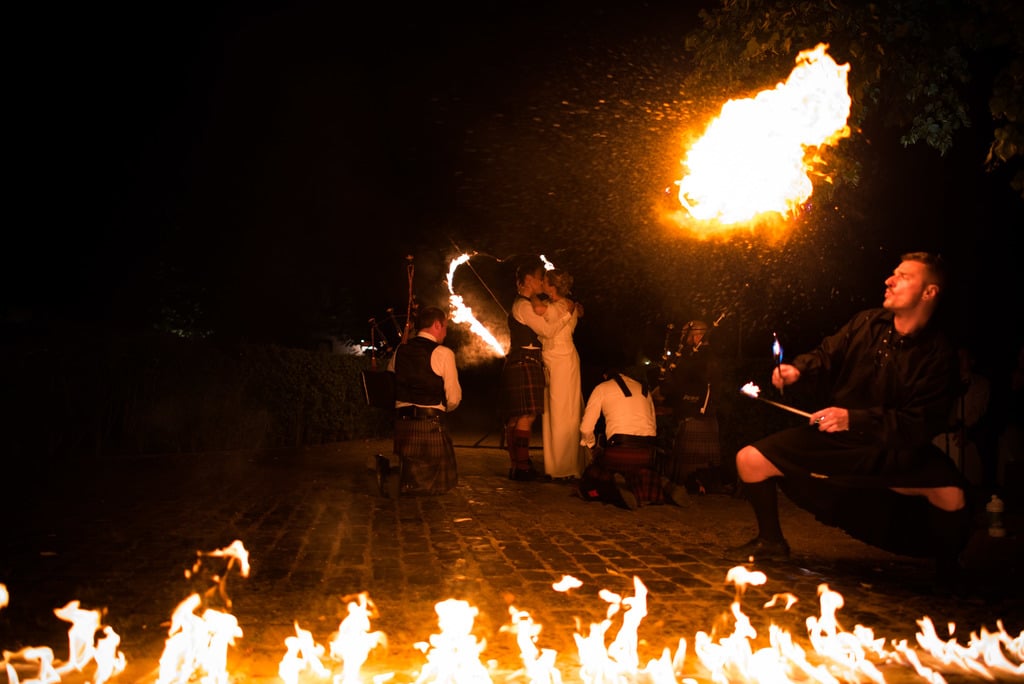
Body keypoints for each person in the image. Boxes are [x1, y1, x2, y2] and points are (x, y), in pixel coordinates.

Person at [728, 252, 970, 592]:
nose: (889, 280)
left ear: (929, 292)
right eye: (892, 273)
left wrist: (853, 419)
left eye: (903, 276)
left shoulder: (938, 354)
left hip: (892, 445)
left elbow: (919, 424)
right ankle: (771, 542)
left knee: (952, 494)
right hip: (838, 439)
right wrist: (798, 369)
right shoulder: (867, 323)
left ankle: (948, 566)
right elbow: (828, 354)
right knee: (750, 460)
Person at [498, 258, 575, 480]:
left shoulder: (524, 302)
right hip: (525, 360)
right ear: (529, 280)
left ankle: (518, 464)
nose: (544, 282)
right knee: (526, 416)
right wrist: (568, 313)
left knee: (517, 417)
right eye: (541, 278)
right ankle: (521, 467)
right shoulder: (522, 305)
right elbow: (548, 331)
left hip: (521, 360)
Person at [577, 364, 690, 509]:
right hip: (646, 456)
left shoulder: (602, 388)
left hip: (618, 454)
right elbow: (653, 428)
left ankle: (616, 488)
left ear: (607, 376)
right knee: (641, 471)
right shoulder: (645, 390)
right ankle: (663, 485)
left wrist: (592, 446)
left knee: (592, 477)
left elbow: (586, 428)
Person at [387, 305, 462, 495]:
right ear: (437, 325)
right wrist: (444, 411)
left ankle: (404, 481)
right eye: (445, 327)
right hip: (431, 425)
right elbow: (453, 398)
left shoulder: (399, 351)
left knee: (409, 472)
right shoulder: (444, 353)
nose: (445, 332)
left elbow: (390, 382)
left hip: (403, 426)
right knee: (439, 485)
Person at [533, 268, 587, 480]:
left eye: (544, 282)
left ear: (552, 286)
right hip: (556, 359)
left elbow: (539, 310)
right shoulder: (564, 304)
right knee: (556, 410)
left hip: (562, 360)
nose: (542, 284)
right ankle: (559, 464)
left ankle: (564, 466)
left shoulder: (562, 304)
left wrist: (531, 293)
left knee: (563, 410)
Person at [656, 320, 722, 490]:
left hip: (695, 412)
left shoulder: (699, 358)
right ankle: (702, 482)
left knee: (691, 453)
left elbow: (687, 384)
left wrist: (668, 391)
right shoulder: (707, 356)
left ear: (698, 336)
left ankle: (691, 482)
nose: (684, 340)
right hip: (704, 412)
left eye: (687, 335)